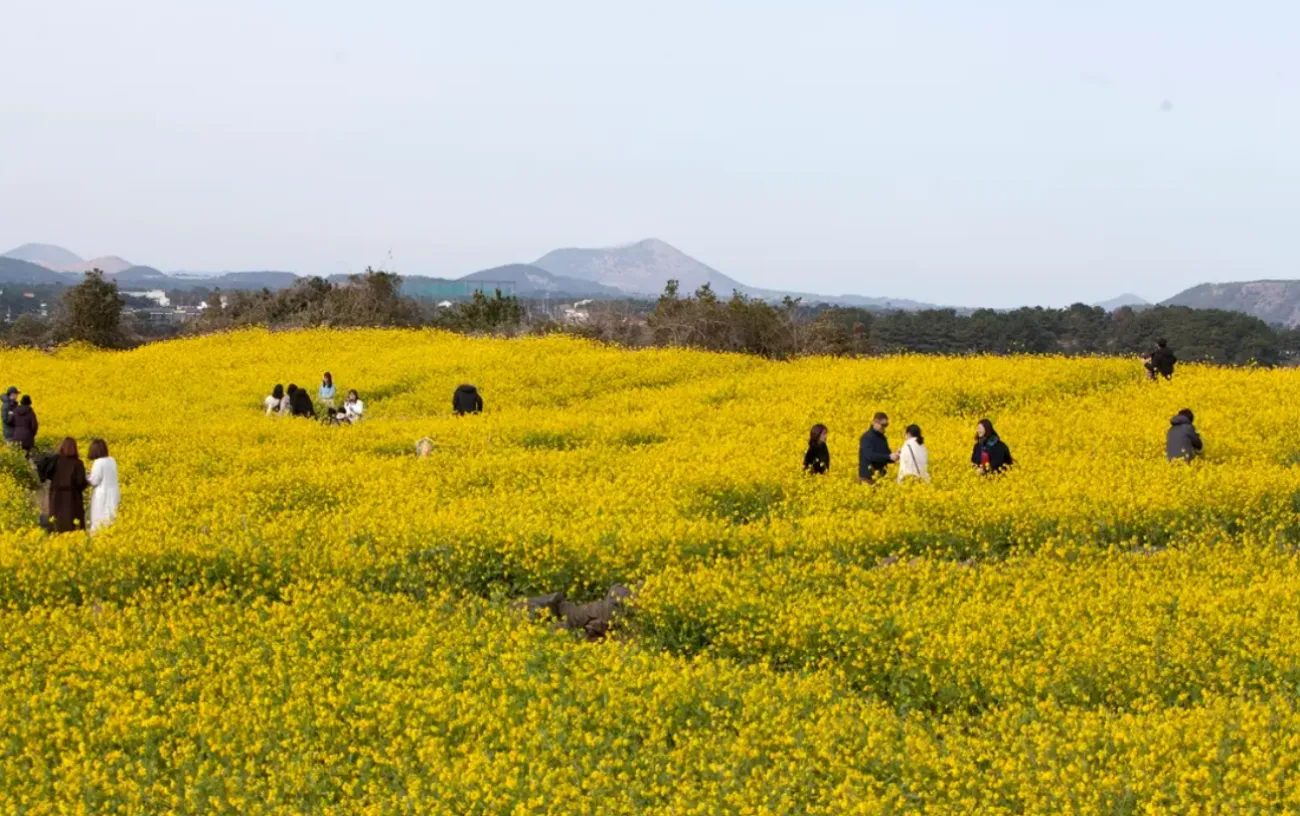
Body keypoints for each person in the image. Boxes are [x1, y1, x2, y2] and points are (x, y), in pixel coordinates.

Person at [49, 437, 87, 533]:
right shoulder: (78, 463)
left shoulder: (55, 462)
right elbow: (80, 483)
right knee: (72, 523)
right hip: (72, 498)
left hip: (56, 496)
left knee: (57, 522)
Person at [86, 438, 120, 531]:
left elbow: (94, 481)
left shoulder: (98, 462)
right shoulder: (112, 460)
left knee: (100, 521)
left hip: (102, 494)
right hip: (114, 493)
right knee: (111, 518)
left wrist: (86, 476)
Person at [859, 412, 898, 483]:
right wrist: (889, 457)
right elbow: (870, 455)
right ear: (874, 422)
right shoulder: (867, 437)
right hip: (868, 479)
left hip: (881, 478)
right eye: (883, 425)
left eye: (886, 425)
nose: (884, 427)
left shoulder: (882, 438)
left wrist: (895, 456)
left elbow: (886, 455)